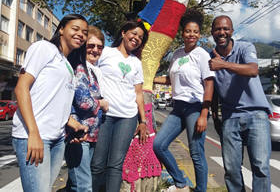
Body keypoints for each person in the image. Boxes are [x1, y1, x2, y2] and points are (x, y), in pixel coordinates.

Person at [12, 14, 89, 192]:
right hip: (34, 136)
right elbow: (21, 88)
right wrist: (33, 133)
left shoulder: (67, 65)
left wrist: (72, 123)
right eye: (75, 29)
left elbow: (55, 101)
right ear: (61, 29)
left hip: (57, 139)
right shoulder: (44, 48)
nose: (81, 35)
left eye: (84, 32)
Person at [153, 10, 215, 192]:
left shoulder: (202, 54)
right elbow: (171, 79)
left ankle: (201, 189)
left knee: (196, 153)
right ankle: (181, 182)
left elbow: (209, 84)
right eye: (188, 31)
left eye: (195, 31)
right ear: (183, 33)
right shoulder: (177, 54)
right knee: (159, 145)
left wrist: (204, 113)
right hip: (178, 107)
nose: (191, 34)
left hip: (195, 107)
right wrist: (150, 78)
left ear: (199, 34)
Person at [209, 15, 271, 192]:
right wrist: (214, 115)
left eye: (226, 28)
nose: (222, 32)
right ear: (212, 33)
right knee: (231, 170)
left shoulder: (245, 47)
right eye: (218, 29)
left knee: (260, 167)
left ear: (232, 31)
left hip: (256, 114)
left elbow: (253, 70)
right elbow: (211, 88)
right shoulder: (210, 57)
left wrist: (224, 65)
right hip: (229, 118)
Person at [91, 20, 149, 192]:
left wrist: (143, 121)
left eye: (140, 37)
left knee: (115, 165)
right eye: (133, 33)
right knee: (97, 163)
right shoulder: (106, 52)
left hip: (127, 117)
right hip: (105, 115)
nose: (136, 38)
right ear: (123, 33)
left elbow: (138, 93)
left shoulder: (136, 63)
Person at [65, 26, 109, 192]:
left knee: (76, 182)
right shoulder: (80, 68)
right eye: (91, 46)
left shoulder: (93, 70)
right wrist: (102, 104)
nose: (95, 50)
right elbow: (83, 101)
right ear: (83, 46)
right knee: (83, 185)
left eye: (99, 47)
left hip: (89, 135)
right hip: (78, 134)